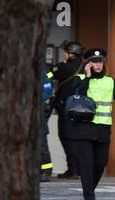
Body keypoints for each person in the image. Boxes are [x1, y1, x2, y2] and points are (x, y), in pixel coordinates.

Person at [69, 48, 115, 200]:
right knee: (86, 164)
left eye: (100, 62)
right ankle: (89, 199)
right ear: (87, 64)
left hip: (102, 129)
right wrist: (87, 77)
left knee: (100, 163)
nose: (97, 64)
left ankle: (89, 190)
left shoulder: (109, 81)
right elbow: (77, 93)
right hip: (82, 129)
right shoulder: (79, 79)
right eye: (94, 62)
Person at [48, 40, 85, 179]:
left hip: (67, 108)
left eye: (65, 52)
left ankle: (73, 170)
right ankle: (79, 169)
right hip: (81, 109)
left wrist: (55, 67)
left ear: (70, 53)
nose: (64, 54)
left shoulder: (66, 68)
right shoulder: (84, 66)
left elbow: (49, 75)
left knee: (66, 137)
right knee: (77, 139)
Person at [40, 73, 54, 182]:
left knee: (41, 143)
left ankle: (46, 170)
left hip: (39, 112)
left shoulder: (42, 73)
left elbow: (48, 92)